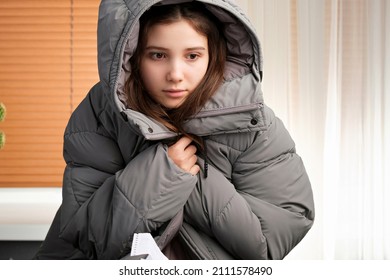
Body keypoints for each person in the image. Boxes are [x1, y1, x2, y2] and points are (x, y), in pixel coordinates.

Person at [34, 0, 314, 260]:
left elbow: (266, 246)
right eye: (158, 55)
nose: (175, 73)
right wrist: (163, 173)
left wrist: (187, 179)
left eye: (192, 55)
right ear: (132, 57)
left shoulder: (252, 123)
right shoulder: (100, 115)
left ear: (214, 55)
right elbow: (91, 240)